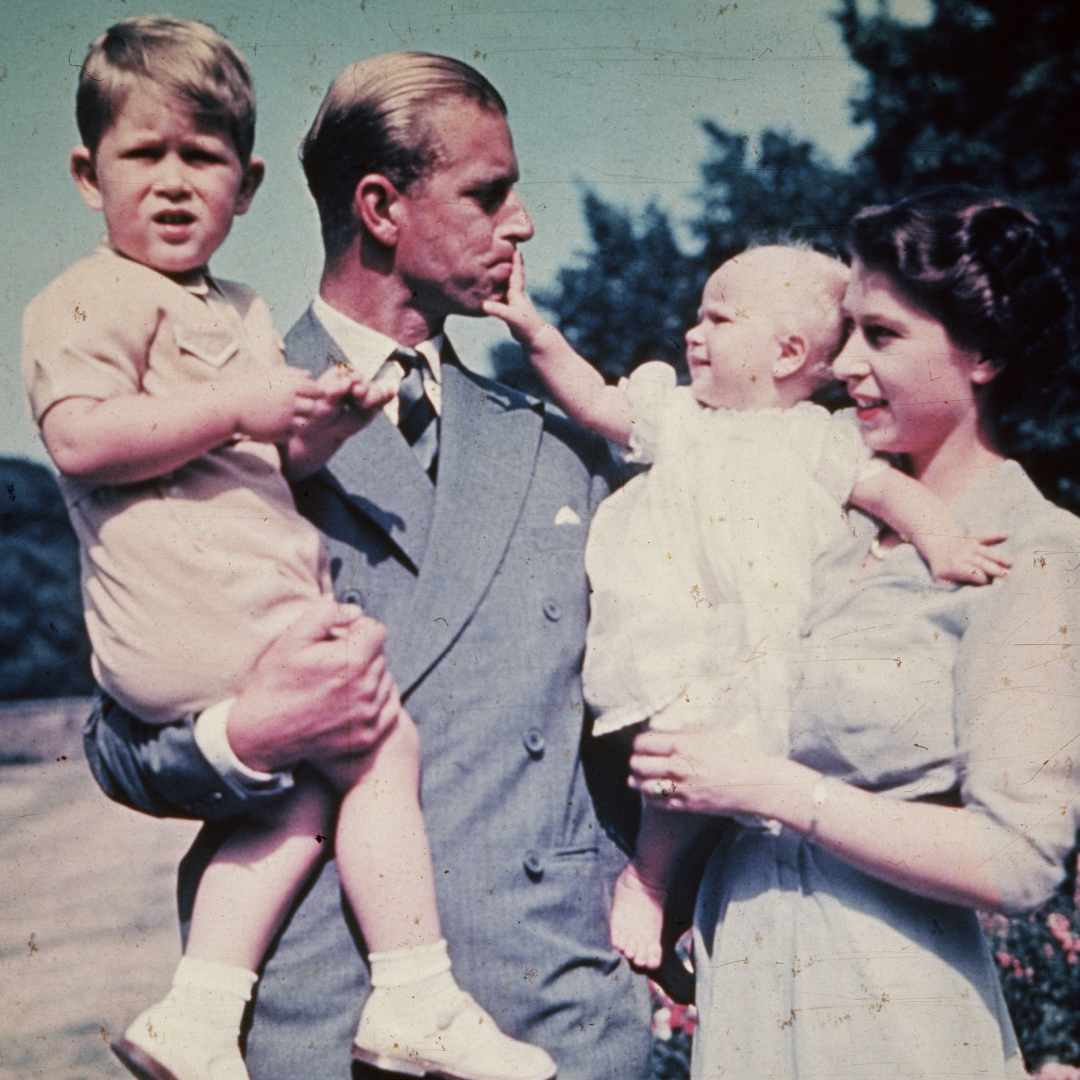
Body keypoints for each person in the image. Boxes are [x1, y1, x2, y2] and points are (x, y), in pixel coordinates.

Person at [81, 49, 654, 1080]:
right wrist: (248, 735)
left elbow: (636, 718)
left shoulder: (559, 448)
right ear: (381, 207)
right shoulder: (202, 421)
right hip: (316, 1030)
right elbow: (119, 743)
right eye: (489, 193)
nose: (520, 223)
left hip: (556, 1023)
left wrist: (649, 903)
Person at [626, 187, 1080, 1078]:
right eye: (846, 336)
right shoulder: (814, 521)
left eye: (883, 336)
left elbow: (1018, 862)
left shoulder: (1035, 551)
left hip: (893, 1008)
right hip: (744, 982)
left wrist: (772, 787)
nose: (844, 366)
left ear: (982, 353)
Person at [484, 242, 1011, 972]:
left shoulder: (818, 439)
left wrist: (944, 540)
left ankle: (706, 908)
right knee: (682, 750)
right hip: (678, 624)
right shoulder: (680, 417)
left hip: (768, 636)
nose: (692, 334)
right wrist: (536, 333)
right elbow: (598, 402)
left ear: (788, 351)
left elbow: (893, 492)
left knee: (753, 770)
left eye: (718, 319)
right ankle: (650, 878)